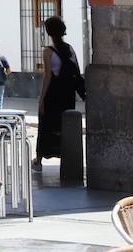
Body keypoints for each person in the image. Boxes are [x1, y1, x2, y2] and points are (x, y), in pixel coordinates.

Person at [32, 16, 85, 171]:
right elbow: (76, 71)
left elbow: (48, 76)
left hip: (53, 93)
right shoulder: (70, 49)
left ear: (49, 32)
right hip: (67, 92)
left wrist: (42, 99)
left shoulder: (48, 51)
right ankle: (65, 156)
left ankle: (39, 160)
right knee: (64, 125)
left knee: (45, 124)